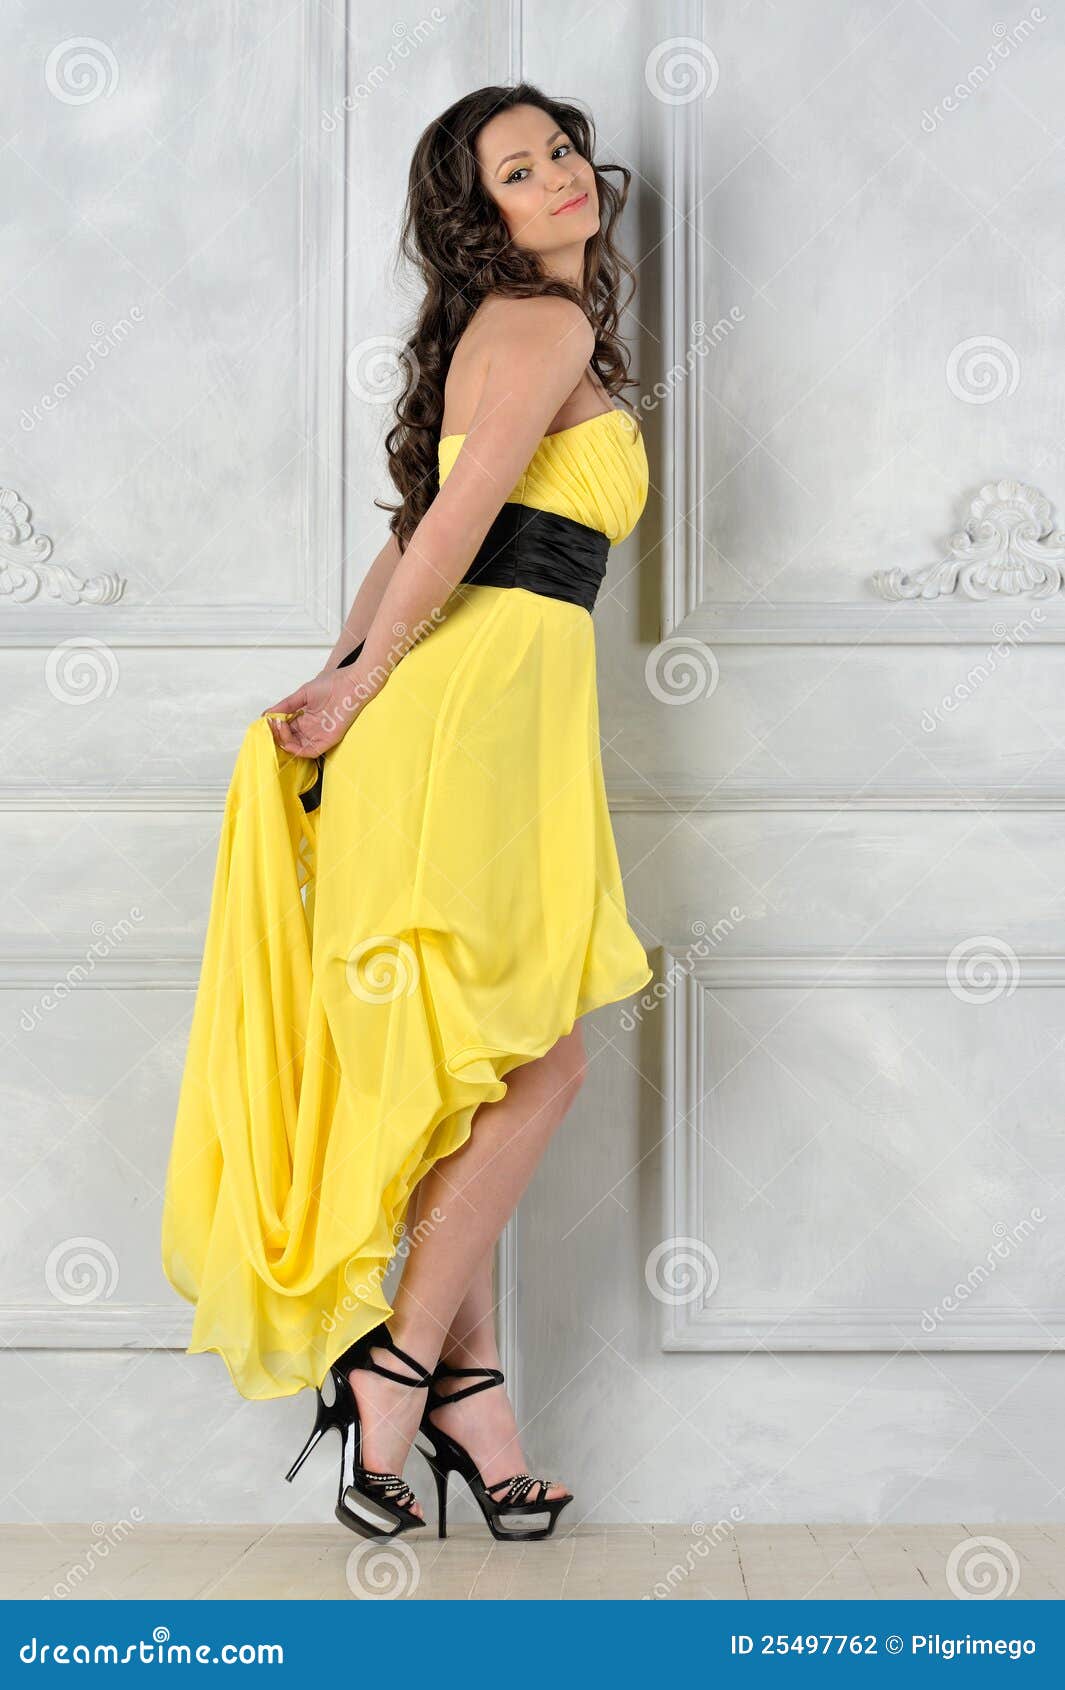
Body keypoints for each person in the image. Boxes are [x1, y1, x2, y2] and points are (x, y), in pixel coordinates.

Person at [161, 82, 651, 1544]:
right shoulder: (542, 325)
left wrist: (341, 680)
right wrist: (355, 687)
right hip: (467, 719)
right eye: (519, 168)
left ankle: (471, 1396)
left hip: (482, 712)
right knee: (535, 1061)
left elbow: (416, 532)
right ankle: (391, 1369)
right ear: (479, 210)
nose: (558, 174)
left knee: (477, 1067)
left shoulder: (519, 328)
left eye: (559, 148)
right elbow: (444, 529)